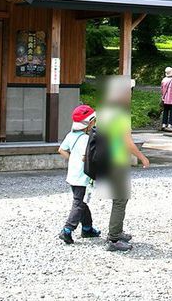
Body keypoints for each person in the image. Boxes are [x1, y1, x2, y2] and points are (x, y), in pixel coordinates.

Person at [101, 76, 150, 252]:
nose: (130, 95)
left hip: (106, 158)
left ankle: (117, 231)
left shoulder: (105, 111)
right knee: (120, 198)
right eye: (129, 92)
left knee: (119, 197)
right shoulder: (121, 113)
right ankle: (114, 238)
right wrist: (142, 157)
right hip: (117, 159)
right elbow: (127, 142)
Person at [57, 104, 102, 244]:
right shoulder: (86, 139)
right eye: (94, 121)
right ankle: (67, 230)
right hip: (82, 177)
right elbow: (86, 157)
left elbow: (61, 150)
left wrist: (72, 159)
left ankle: (87, 228)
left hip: (72, 175)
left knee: (82, 202)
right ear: (88, 123)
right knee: (78, 203)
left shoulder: (71, 135)